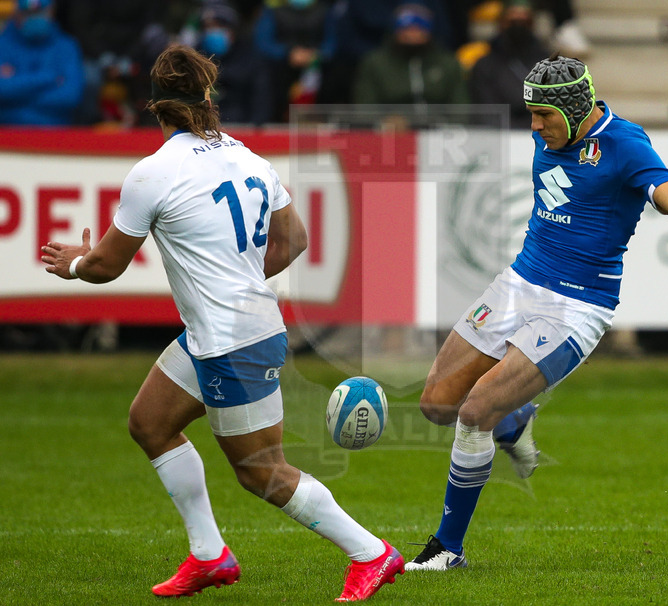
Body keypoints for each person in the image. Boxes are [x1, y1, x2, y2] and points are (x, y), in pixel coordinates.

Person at [40, 45, 403, 601]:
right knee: (150, 422)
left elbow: (107, 266)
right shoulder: (250, 158)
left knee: (263, 473)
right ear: (208, 97)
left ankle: (371, 554)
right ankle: (210, 556)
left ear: (156, 107)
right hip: (228, 329)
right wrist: (243, 283)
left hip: (232, 340)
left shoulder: (153, 172)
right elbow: (296, 239)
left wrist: (74, 265)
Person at [405, 55, 668, 570]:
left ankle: (447, 548)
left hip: (576, 306)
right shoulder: (552, 133)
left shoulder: (625, 145)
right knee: (436, 404)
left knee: (475, 411)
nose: (533, 125)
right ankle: (514, 420)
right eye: (531, 113)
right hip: (518, 282)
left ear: (575, 108)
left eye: (543, 115)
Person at [352, 2, 469, 121]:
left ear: (429, 31)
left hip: (441, 133)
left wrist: (442, 125)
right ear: (395, 31)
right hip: (390, 133)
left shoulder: (448, 63)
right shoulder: (374, 63)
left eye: (419, 27)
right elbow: (366, 109)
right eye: (406, 27)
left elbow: (461, 109)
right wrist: (383, 122)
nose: (412, 33)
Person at [0, 0, 84, 126]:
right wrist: (49, 78)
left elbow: (70, 97)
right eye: (28, 13)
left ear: (52, 12)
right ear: (16, 14)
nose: (34, 18)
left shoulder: (67, 45)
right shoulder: (3, 44)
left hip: (55, 134)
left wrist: (16, 94)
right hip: (8, 131)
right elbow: (2, 90)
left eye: (40, 12)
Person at [468, 0, 550, 129]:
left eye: (524, 22)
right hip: (498, 136)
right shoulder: (485, 65)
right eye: (512, 21)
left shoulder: (549, 64)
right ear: (501, 22)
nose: (518, 26)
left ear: (532, 23)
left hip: (540, 136)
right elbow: (487, 112)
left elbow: (552, 111)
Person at [253, 0, 338, 122]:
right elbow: (263, 43)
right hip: (280, 74)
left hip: (317, 72)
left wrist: (316, 55)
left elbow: (333, 43)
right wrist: (288, 53)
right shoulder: (273, 10)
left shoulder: (325, 10)